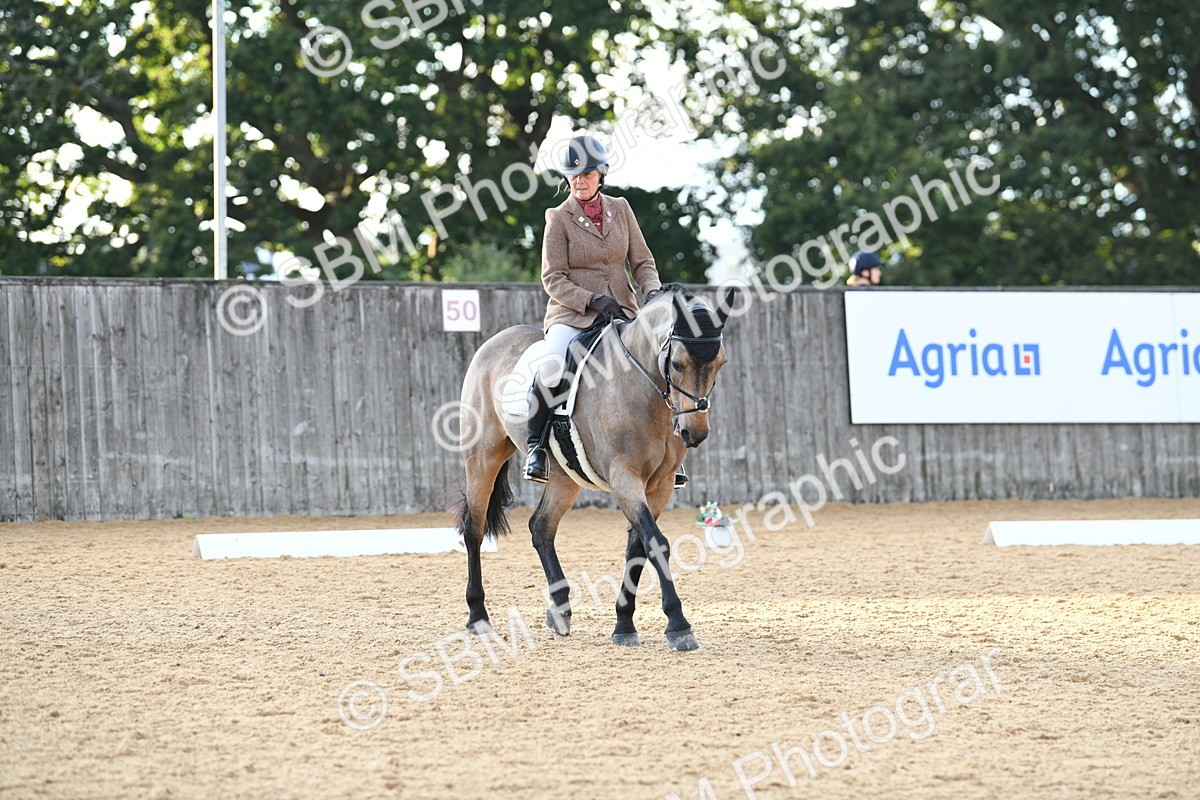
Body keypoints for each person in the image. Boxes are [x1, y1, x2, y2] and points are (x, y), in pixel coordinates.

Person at [522, 133, 685, 487]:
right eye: (574, 175)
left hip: (621, 311)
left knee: (662, 361)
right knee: (552, 364)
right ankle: (536, 446)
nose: (580, 181)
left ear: (601, 175)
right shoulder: (558, 218)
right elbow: (552, 278)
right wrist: (592, 300)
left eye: (587, 174)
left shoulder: (621, 209)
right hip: (573, 314)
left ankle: (670, 453)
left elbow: (642, 262)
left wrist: (653, 293)